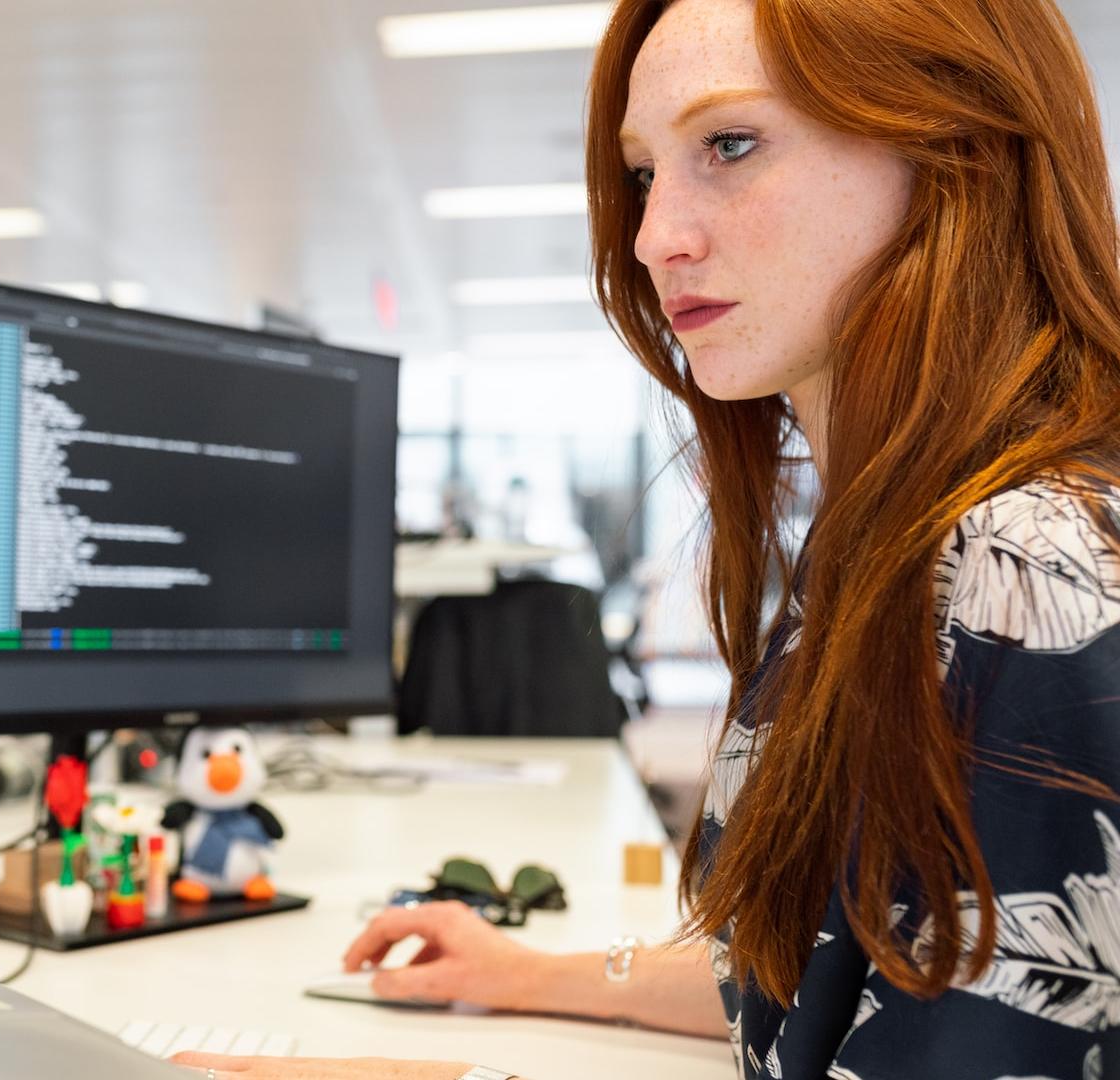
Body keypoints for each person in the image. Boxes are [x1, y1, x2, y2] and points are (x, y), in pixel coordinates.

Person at [175, 0, 1120, 1076]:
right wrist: (522, 975)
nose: (651, 235)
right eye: (642, 173)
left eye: (730, 144)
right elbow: (812, 983)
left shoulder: (1031, 565)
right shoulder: (893, 539)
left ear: (957, 147)